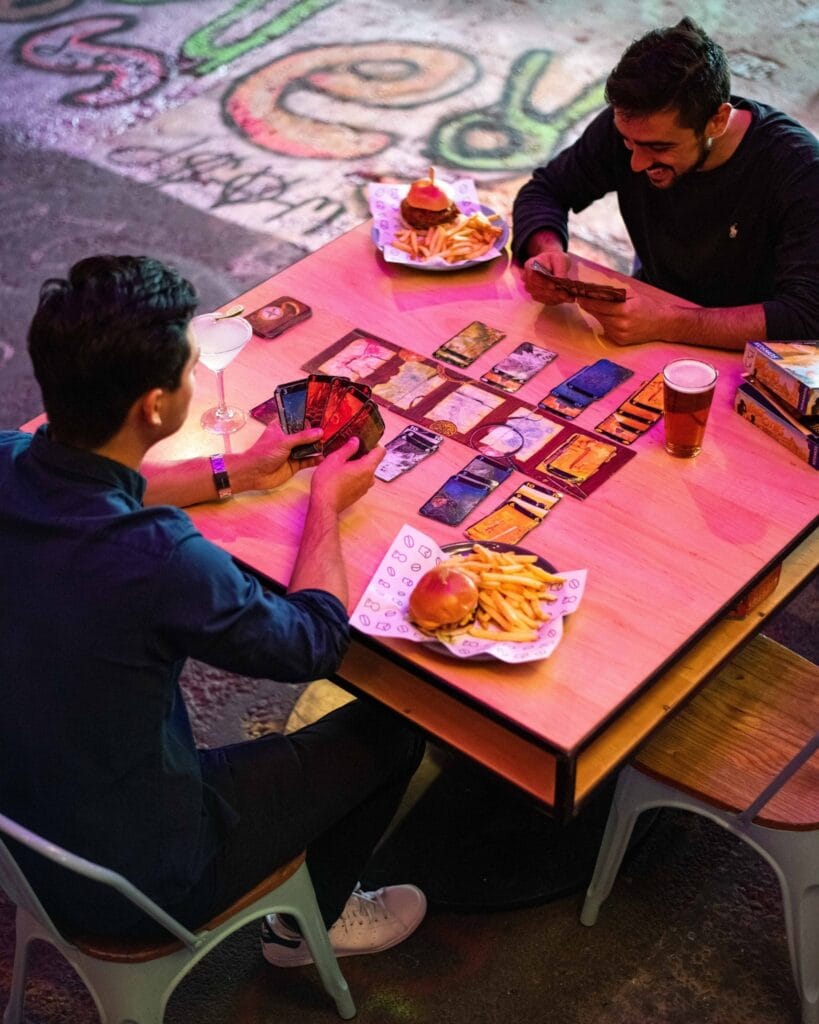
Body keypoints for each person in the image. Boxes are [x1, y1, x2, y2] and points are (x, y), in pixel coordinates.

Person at [0, 254, 427, 970]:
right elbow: (313, 642)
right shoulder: (159, 559)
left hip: (26, 831)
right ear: (155, 408)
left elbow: (96, 488)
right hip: (140, 877)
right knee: (395, 732)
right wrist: (324, 504)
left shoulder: (10, 455)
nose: (194, 382)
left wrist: (238, 472)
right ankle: (306, 928)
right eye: (190, 371)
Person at [513, 17, 819, 350]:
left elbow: (806, 315)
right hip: (648, 325)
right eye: (629, 143)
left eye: (660, 147)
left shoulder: (799, 169)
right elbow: (545, 190)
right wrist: (547, 255)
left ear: (717, 120)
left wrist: (668, 322)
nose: (637, 162)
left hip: (751, 357)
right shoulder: (632, 129)